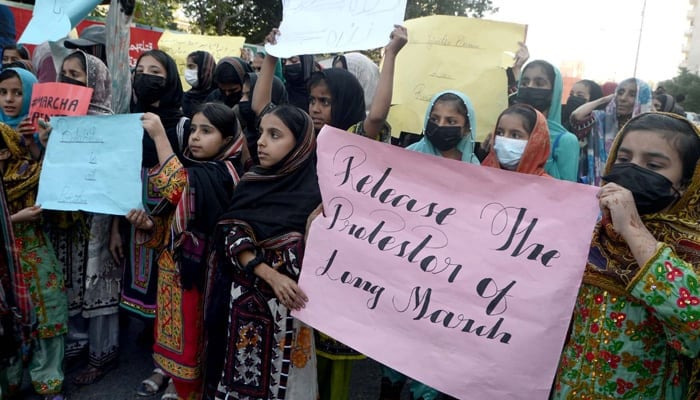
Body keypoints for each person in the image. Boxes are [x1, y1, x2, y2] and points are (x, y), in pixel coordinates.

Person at [551, 112, 700, 399]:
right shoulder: (590, 233)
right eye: (623, 159)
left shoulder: (691, 248)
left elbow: (694, 326)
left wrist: (634, 229)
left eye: (653, 165)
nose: (632, 171)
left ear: (685, 182)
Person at [126, 102, 245, 400]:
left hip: (200, 279)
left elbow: (177, 185)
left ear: (228, 140)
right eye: (193, 129)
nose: (195, 137)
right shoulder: (199, 169)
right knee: (173, 341)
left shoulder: (224, 174)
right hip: (173, 275)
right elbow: (171, 224)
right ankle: (177, 386)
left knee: (193, 347)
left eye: (207, 131)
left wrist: (159, 137)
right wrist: (149, 226)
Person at [211, 104, 321, 400]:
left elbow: (322, 262)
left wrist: (315, 229)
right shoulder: (252, 182)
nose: (261, 142)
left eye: (274, 135)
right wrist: (270, 275)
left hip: (293, 311)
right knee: (244, 378)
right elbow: (232, 237)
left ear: (300, 144)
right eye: (261, 133)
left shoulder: (318, 196)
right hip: (248, 304)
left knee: (289, 382)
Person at [380, 89, 479, 400]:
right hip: (405, 265)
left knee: (435, 342)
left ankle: (426, 391)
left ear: (466, 127)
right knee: (397, 339)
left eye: (451, 120)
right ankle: (390, 383)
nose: (442, 125)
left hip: (448, 274)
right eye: (435, 119)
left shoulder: (478, 169)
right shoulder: (409, 155)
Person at [41, 50, 121, 386]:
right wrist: (46, 143)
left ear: (96, 81)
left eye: (78, 75)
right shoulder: (55, 121)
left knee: (97, 281)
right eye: (66, 74)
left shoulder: (113, 124)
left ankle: (102, 355)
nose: (69, 80)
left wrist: (116, 229)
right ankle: (75, 344)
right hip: (65, 216)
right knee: (68, 278)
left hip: (100, 220)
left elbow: (120, 179)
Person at [118, 49, 189, 399]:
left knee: (172, 291)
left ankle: (172, 367)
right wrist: (120, 227)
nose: (145, 76)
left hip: (171, 224)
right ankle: (159, 355)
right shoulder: (125, 120)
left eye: (155, 71)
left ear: (170, 78)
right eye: (140, 70)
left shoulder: (182, 124)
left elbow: (187, 179)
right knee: (144, 291)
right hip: (134, 220)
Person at [0, 122, 68, 400]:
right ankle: (8, 383)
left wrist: (42, 145)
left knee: (47, 318)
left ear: (4, 153)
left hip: (35, 257)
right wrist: (15, 219)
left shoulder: (30, 174)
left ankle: (50, 383)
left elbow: (56, 181)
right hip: (5, 266)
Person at [570, 78, 653, 185]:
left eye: (632, 95)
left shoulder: (650, 130)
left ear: (642, 99)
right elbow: (576, 116)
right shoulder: (602, 119)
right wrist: (604, 100)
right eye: (620, 92)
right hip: (596, 184)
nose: (623, 98)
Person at [514, 60, 579, 182]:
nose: (530, 87)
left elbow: (567, 190)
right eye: (524, 82)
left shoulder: (566, 141)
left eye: (539, 84)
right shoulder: (509, 130)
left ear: (554, 91)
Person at [235, 71, 288, 165]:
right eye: (242, 95)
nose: (242, 100)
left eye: (249, 95)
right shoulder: (241, 132)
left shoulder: (287, 135)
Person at [482, 103, 550, 176]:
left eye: (515, 135)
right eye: (500, 133)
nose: (504, 140)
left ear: (535, 141)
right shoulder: (481, 175)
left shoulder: (547, 186)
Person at [0, 67, 41, 159]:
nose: (8, 99)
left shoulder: (42, 128)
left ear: (31, 94)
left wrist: (31, 143)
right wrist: (13, 138)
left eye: (18, 93)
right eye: (3, 92)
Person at [182, 50, 216, 118]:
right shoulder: (187, 96)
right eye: (188, 67)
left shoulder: (218, 95)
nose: (188, 71)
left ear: (205, 68)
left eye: (191, 67)